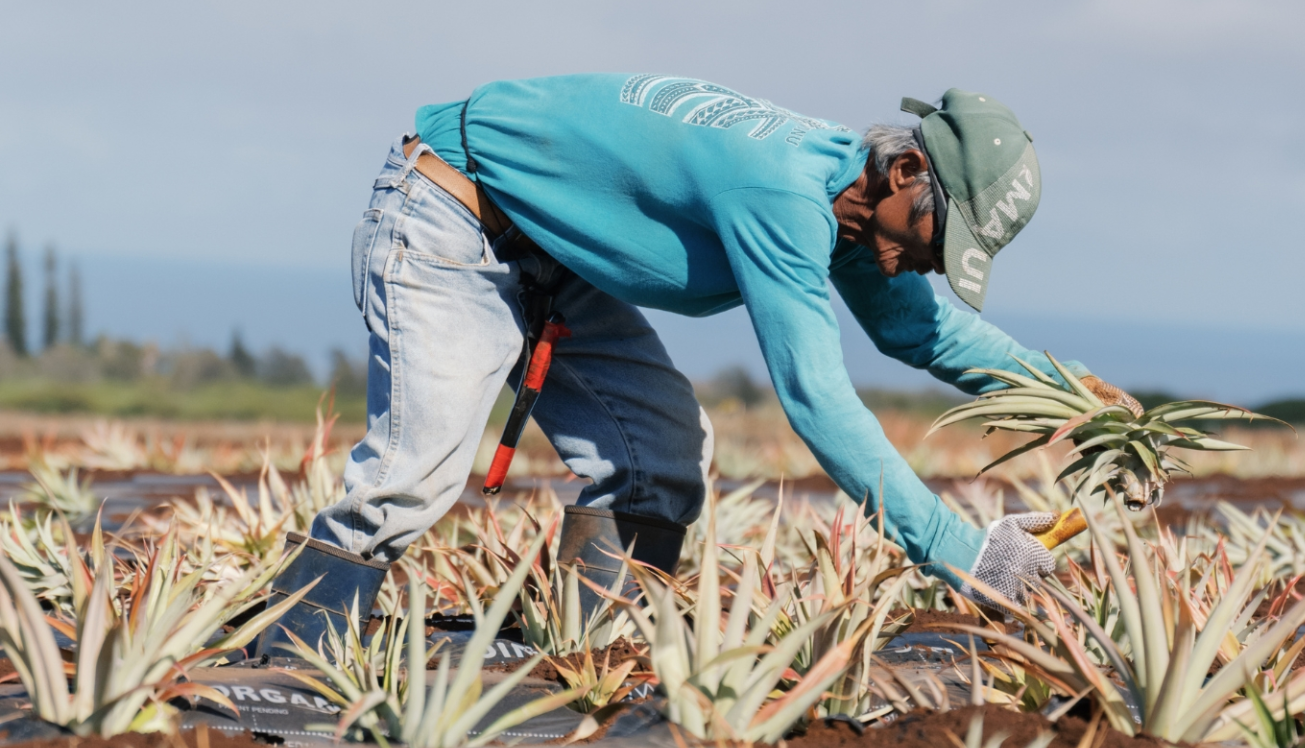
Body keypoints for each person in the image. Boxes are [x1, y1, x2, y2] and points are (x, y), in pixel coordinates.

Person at [258, 74, 1141, 654]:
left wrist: (1074, 401)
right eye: (938, 238)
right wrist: (964, 553)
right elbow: (817, 399)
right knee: (417, 471)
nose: (935, 263)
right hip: (450, 211)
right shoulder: (785, 196)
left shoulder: (858, 207)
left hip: (554, 253)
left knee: (661, 456)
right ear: (907, 169)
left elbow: (926, 335)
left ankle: (583, 647)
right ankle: (293, 649)